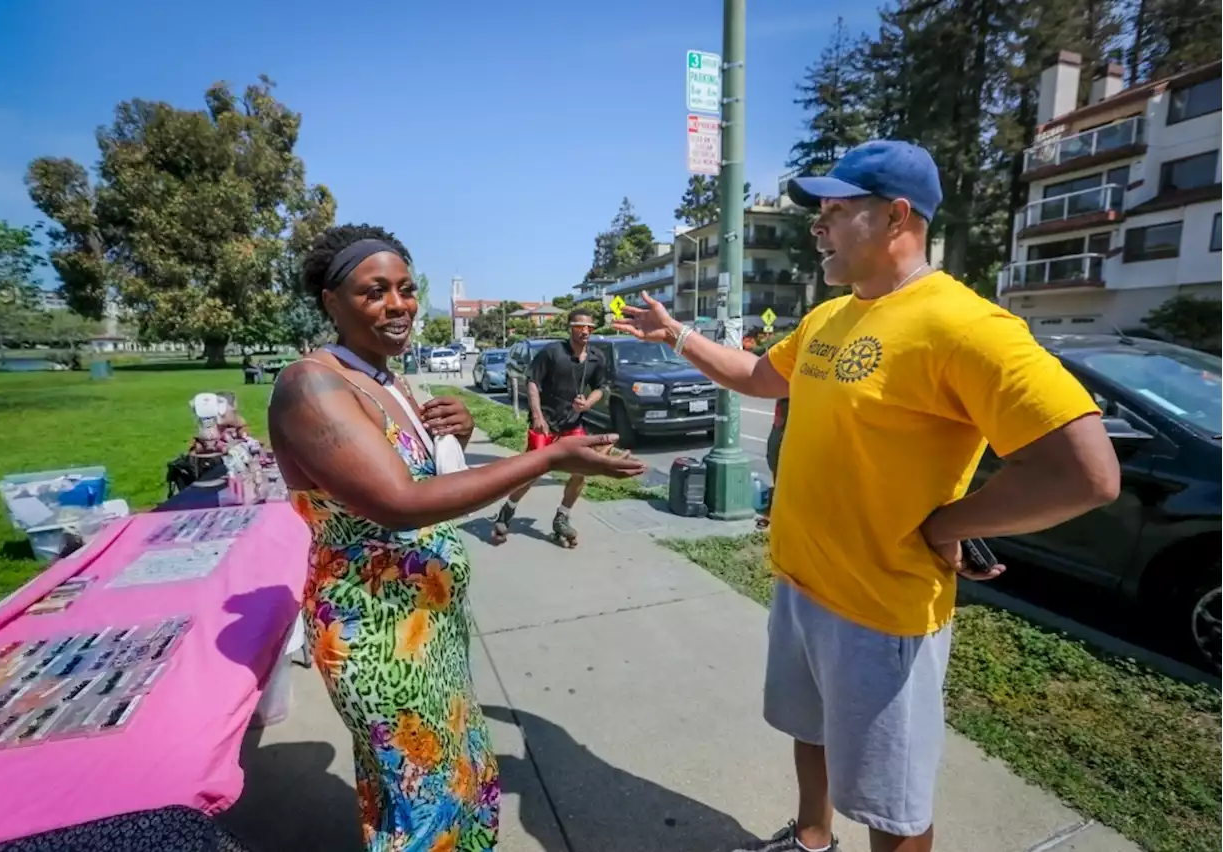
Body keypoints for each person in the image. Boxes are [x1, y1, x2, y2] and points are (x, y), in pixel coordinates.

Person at [614, 140, 1120, 852]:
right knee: (808, 731)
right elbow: (761, 376)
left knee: (894, 805)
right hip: (801, 583)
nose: (817, 226)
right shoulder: (831, 316)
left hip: (883, 613)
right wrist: (678, 337)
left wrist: (950, 523)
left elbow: (1088, 473)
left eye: (837, 210)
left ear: (897, 218)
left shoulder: (965, 325)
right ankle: (812, 838)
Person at [267, 224, 645, 852]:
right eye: (374, 292)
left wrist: (455, 436)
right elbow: (400, 503)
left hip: (429, 626)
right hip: (379, 637)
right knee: (421, 805)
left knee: (454, 781)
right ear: (331, 303)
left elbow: (418, 474)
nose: (398, 305)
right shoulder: (312, 385)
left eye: (407, 289)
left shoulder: (384, 377)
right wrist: (548, 460)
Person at [489, 307, 610, 548]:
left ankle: (562, 517)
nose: (585, 331)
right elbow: (532, 381)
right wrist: (537, 415)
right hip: (546, 422)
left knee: (581, 470)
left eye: (589, 327)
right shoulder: (553, 352)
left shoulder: (597, 358)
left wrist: (587, 403)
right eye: (580, 326)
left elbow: (602, 387)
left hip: (573, 424)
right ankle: (508, 510)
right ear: (570, 328)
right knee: (531, 472)